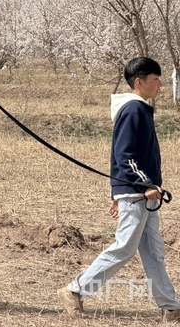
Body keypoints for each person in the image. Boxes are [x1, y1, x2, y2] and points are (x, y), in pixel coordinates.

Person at [56, 57, 180, 321]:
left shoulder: (139, 109)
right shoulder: (133, 110)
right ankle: (75, 290)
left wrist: (121, 192)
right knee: (124, 247)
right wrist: (144, 185)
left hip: (139, 192)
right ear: (140, 82)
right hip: (138, 192)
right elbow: (125, 156)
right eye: (156, 79)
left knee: (153, 251)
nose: (160, 85)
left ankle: (170, 306)